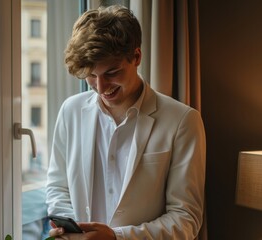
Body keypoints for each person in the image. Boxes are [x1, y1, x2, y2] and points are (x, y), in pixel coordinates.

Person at [45, 4, 206, 240]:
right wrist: (73, 231)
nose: (100, 88)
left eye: (111, 73)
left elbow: (185, 219)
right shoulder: (70, 111)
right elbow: (58, 188)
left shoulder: (183, 121)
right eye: (91, 75)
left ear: (137, 57)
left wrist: (116, 237)